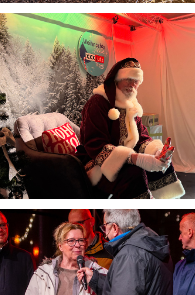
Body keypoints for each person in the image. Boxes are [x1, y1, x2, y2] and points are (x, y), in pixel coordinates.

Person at [74, 58, 183, 198]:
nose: (133, 84)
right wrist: (137, 159)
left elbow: (142, 136)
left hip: (127, 157)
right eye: (128, 79)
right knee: (135, 173)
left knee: (162, 166)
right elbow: (95, 145)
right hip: (95, 163)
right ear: (117, 79)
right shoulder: (98, 103)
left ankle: (166, 203)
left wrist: (156, 152)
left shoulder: (131, 105)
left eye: (136, 80)